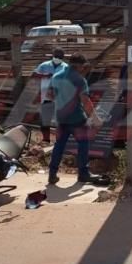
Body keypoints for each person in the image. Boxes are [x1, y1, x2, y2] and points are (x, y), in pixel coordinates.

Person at [47, 53, 108, 186]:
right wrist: (96, 119)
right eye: (83, 66)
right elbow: (85, 102)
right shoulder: (80, 80)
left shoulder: (56, 76)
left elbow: (50, 95)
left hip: (61, 118)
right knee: (83, 144)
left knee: (59, 145)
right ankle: (83, 174)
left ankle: (52, 174)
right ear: (80, 65)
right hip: (77, 119)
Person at [32, 48, 66, 144]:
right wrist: (45, 76)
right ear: (52, 56)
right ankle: (46, 139)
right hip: (46, 97)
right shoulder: (44, 65)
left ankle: (60, 141)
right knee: (45, 120)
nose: (57, 58)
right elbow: (34, 75)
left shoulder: (65, 67)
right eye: (56, 56)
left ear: (63, 57)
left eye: (59, 57)